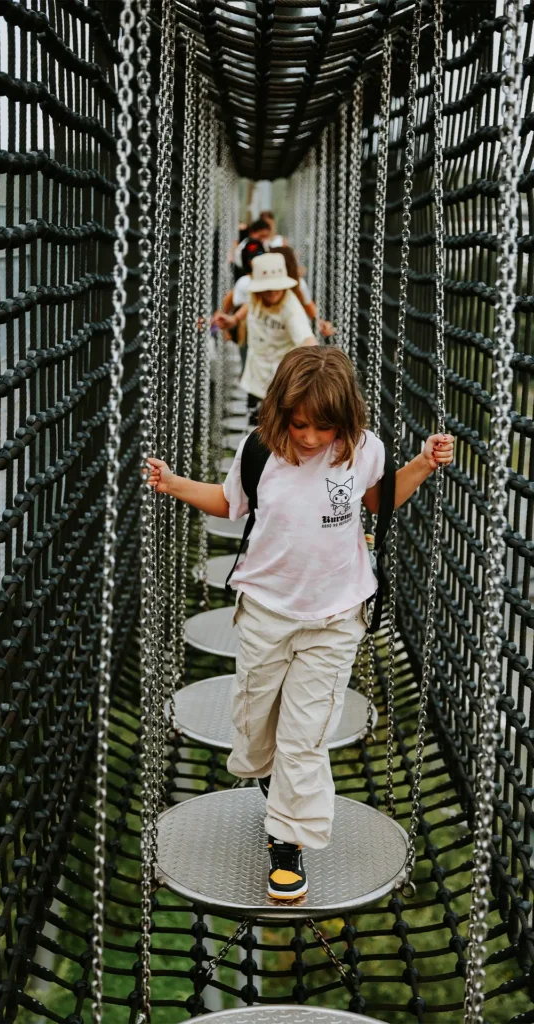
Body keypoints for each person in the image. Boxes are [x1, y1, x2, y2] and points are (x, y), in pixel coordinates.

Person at [145, 347, 455, 901]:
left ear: (346, 420)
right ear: (279, 415)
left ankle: (287, 842)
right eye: (300, 424)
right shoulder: (261, 450)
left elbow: (380, 500)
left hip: (336, 618)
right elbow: (227, 502)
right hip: (266, 609)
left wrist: (422, 465)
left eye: (324, 426)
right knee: (256, 721)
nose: (311, 438)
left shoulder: (361, 450)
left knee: (304, 736)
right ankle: (272, 775)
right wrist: (174, 484)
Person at [213, 251, 317, 425]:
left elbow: (307, 339)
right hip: (256, 374)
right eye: (267, 289)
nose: (273, 294)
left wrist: (317, 366)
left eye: (277, 288)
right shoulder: (256, 297)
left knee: (275, 429)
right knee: (254, 427)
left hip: (280, 380)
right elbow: (249, 306)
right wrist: (233, 320)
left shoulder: (290, 308)